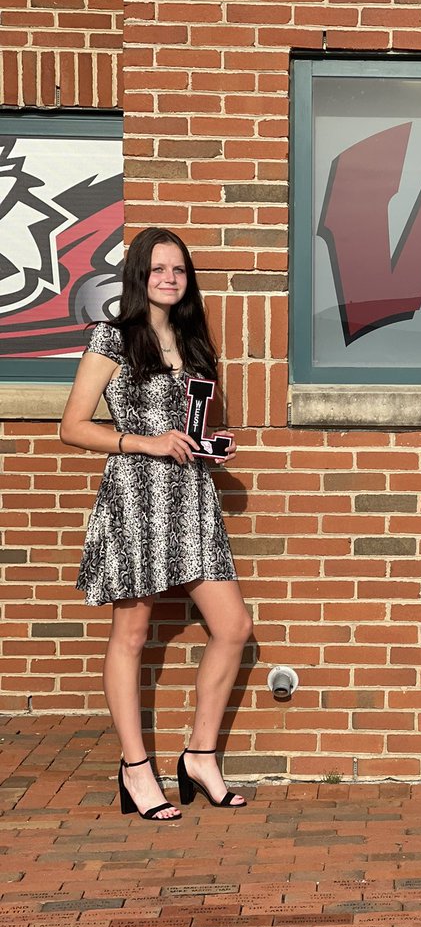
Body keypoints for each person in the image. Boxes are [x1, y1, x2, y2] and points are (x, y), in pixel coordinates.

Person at [61, 227, 253, 820]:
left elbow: (186, 430)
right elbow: (73, 426)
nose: (170, 279)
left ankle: (199, 755)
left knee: (234, 626)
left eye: (179, 270)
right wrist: (146, 442)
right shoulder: (114, 338)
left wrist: (206, 447)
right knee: (133, 635)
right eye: (158, 270)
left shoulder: (194, 343)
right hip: (136, 499)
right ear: (139, 276)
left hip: (192, 500)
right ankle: (135, 768)